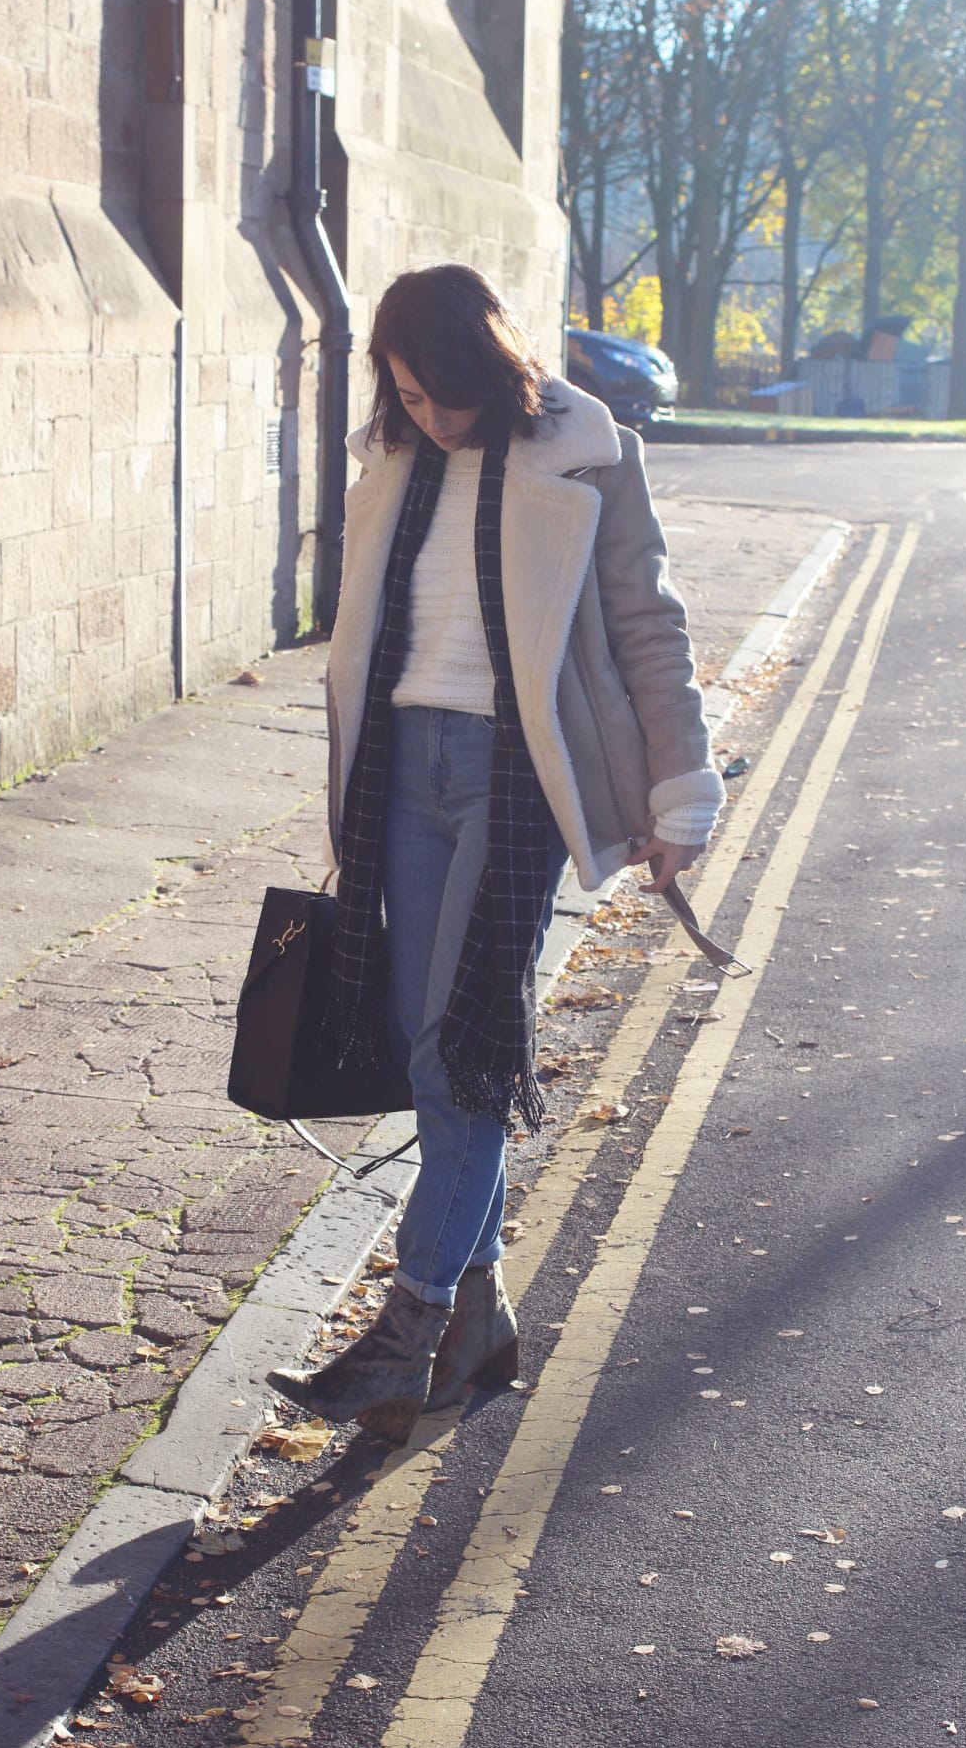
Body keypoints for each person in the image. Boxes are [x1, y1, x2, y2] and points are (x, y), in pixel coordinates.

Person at [265, 264, 725, 1443]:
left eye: (446, 395)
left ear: (493, 363)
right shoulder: (394, 459)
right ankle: (478, 1315)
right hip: (400, 773)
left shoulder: (581, 447)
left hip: (514, 776)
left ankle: (407, 1320)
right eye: (409, 396)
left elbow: (645, 621)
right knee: (433, 1046)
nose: (430, 416)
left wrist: (676, 793)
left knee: (462, 1051)